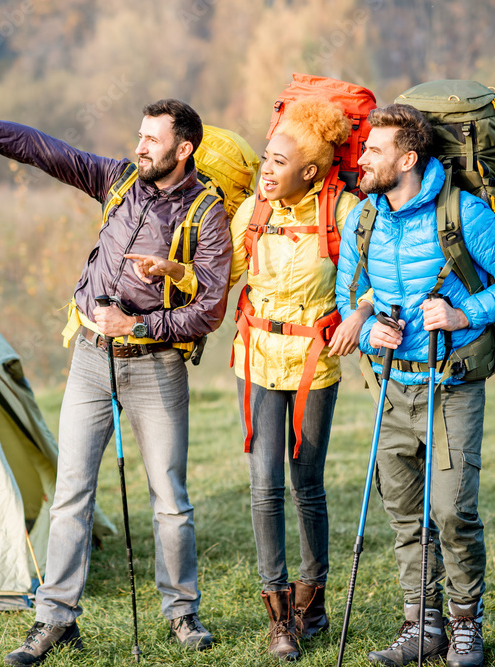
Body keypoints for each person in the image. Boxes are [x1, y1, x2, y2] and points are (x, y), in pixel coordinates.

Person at [0, 98, 231, 665]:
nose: (139, 146)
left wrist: (140, 322)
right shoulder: (118, 180)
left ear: (184, 149)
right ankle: (55, 620)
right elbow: (42, 149)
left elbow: (211, 308)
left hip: (156, 365)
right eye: (139, 135)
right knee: (71, 494)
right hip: (89, 359)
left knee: (171, 502)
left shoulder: (207, 211)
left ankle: (182, 615)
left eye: (152, 140)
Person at [127, 99, 375, 661]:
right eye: (265, 156)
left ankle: (313, 604)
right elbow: (222, 278)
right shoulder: (252, 215)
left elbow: (373, 278)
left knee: (305, 482)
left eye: (279, 161)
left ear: (309, 172)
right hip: (257, 359)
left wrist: (359, 314)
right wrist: (176, 270)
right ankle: (279, 618)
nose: (266, 169)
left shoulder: (345, 213)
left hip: (316, 362)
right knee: (264, 485)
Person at [335, 103, 495, 667]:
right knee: (404, 513)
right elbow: (347, 289)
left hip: (450, 386)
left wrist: (461, 315)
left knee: (451, 512)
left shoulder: (463, 214)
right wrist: (367, 321)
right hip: (389, 385)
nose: (363, 158)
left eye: (374, 150)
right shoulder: (362, 218)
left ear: (408, 158)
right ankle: (421, 627)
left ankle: (465, 627)